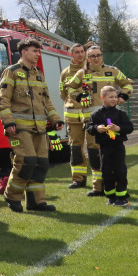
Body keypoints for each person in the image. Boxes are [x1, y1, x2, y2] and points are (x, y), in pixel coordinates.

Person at [0, 37, 64, 212]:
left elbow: (47, 101)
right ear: (24, 52)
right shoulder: (11, 72)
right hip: (19, 128)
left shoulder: (38, 73)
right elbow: (2, 100)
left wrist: (55, 119)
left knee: (41, 163)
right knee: (26, 161)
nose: (37, 54)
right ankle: (12, 195)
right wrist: (8, 122)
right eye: (35, 51)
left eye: (38, 51)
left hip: (39, 128)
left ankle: (36, 202)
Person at [64, 44, 133, 198]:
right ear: (88, 58)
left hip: (110, 120)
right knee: (95, 152)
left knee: (112, 152)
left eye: (98, 55)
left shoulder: (112, 71)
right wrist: (78, 96)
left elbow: (127, 83)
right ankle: (99, 187)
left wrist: (124, 96)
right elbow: (69, 87)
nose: (96, 58)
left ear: (102, 56)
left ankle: (116, 184)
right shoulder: (82, 73)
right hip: (92, 120)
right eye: (92, 56)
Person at [86, 86, 135, 206]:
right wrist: (97, 128)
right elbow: (89, 128)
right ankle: (111, 196)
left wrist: (118, 128)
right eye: (111, 97)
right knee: (106, 172)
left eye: (115, 97)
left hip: (118, 147)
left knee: (120, 171)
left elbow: (129, 128)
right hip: (104, 148)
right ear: (103, 98)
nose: (114, 99)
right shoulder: (96, 114)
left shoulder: (120, 114)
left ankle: (122, 197)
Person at [59, 43, 90, 189]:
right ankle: (78, 179)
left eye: (82, 51)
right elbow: (63, 93)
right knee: (76, 149)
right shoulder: (65, 73)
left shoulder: (91, 69)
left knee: (95, 148)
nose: (80, 54)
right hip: (73, 118)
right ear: (71, 54)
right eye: (77, 52)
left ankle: (101, 180)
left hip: (91, 116)